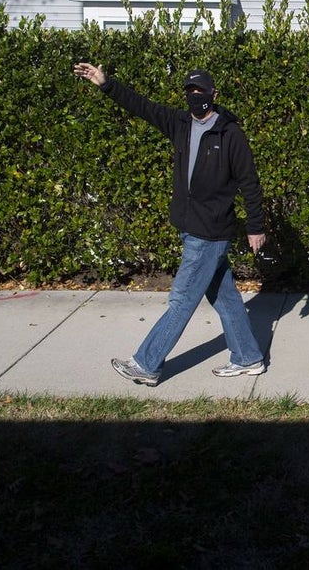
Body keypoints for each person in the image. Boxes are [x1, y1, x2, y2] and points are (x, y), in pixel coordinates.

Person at [73, 61, 268, 386]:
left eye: (200, 93)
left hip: (211, 232)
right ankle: (248, 358)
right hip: (191, 228)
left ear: (213, 94)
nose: (195, 98)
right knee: (225, 296)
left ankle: (146, 364)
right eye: (190, 93)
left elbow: (250, 182)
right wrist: (106, 84)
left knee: (181, 300)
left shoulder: (229, 133)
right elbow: (142, 107)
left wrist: (255, 226)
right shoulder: (180, 124)